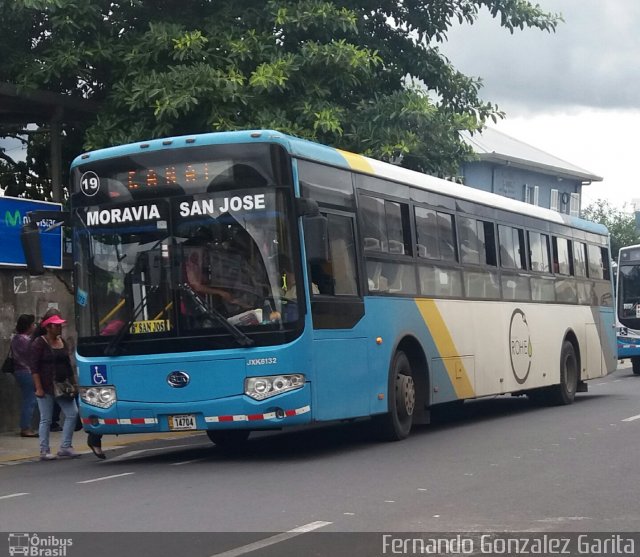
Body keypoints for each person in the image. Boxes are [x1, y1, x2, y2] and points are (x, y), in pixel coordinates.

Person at [30, 314, 80, 460]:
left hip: (63, 385)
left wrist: (74, 383)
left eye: (60, 325)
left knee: (72, 413)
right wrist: (38, 388)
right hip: (46, 386)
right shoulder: (39, 343)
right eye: (56, 325)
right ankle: (44, 450)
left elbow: (67, 365)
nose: (59, 328)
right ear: (48, 327)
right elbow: (34, 368)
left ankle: (65, 446)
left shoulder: (61, 342)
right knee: (46, 419)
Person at [10, 314, 38, 437]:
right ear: (28, 326)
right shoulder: (25, 340)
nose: (34, 326)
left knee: (28, 399)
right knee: (30, 400)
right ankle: (25, 427)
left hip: (19, 371)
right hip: (26, 372)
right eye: (32, 324)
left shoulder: (16, 338)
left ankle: (26, 426)